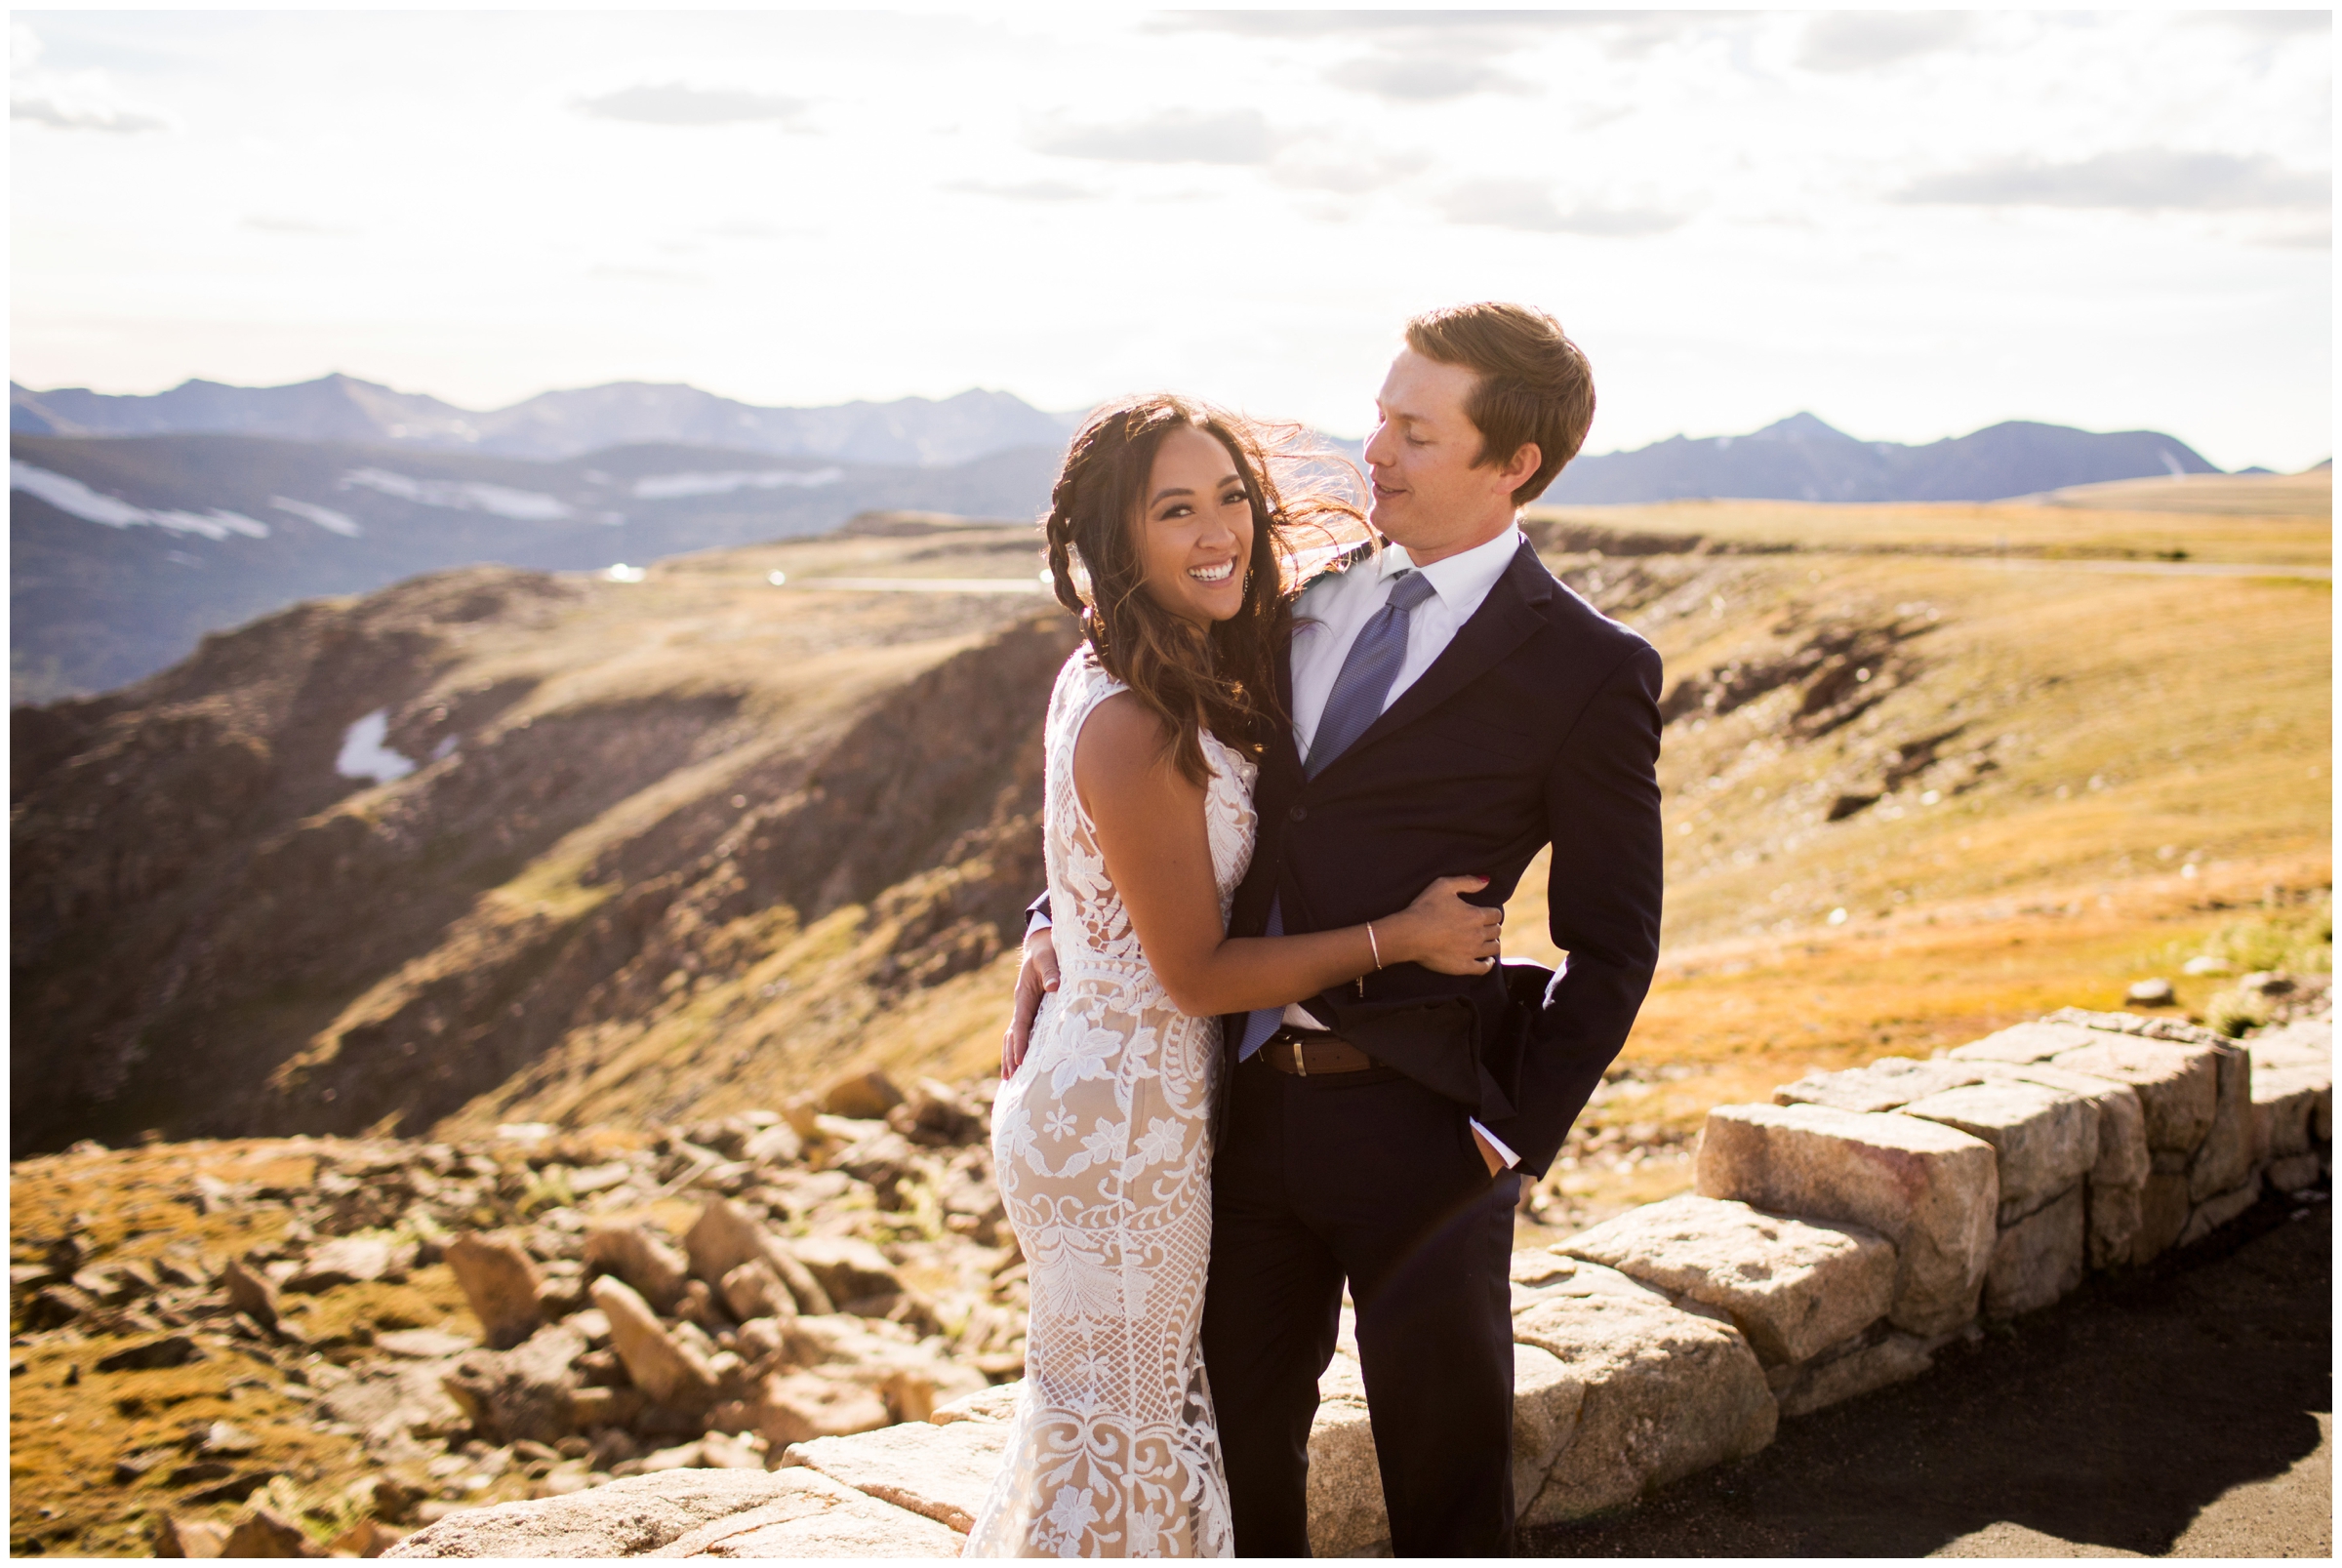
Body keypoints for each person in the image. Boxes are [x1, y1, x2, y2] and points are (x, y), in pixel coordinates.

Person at [1005, 303, 1665, 1555]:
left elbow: (1616, 941)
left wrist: (1506, 1133)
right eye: (1379, 415)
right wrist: (1059, 923)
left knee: (1445, 1477)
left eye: (1414, 431)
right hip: (1237, 1115)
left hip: (1426, 1125)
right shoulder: (1293, 598)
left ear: (1512, 463)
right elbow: (1154, 775)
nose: (1375, 450)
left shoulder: (1586, 666)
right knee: (1239, 1460)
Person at [962, 394, 1504, 1558]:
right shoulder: (1134, 717)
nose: (1218, 532)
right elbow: (1200, 971)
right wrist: (1400, 935)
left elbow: (1106, 867)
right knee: (1132, 1444)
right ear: (1121, 541)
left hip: (1132, 1098)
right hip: (1122, 1134)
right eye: (1176, 510)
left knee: (1115, 1436)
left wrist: (1062, 923)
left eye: (1229, 501)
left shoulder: (1158, 661)